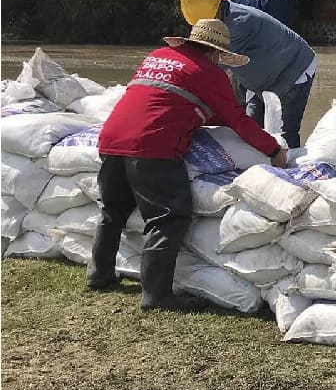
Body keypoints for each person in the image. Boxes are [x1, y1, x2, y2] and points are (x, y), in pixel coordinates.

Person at [90, 15, 289, 311]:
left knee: (113, 209)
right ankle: (156, 296)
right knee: (168, 216)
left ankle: (99, 275)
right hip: (153, 146)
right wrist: (273, 149)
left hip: (111, 140)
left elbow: (167, 99)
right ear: (215, 52)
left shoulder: (159, 56)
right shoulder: (209, 73)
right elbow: (238, 120)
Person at [180, 0, 316, 150]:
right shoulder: (221, 19)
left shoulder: (236, 26)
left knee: (284, 137)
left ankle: (290, 173)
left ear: (216, 10)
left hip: (293, 70)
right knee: (253, 130)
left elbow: (209, 71)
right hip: (261, 76)